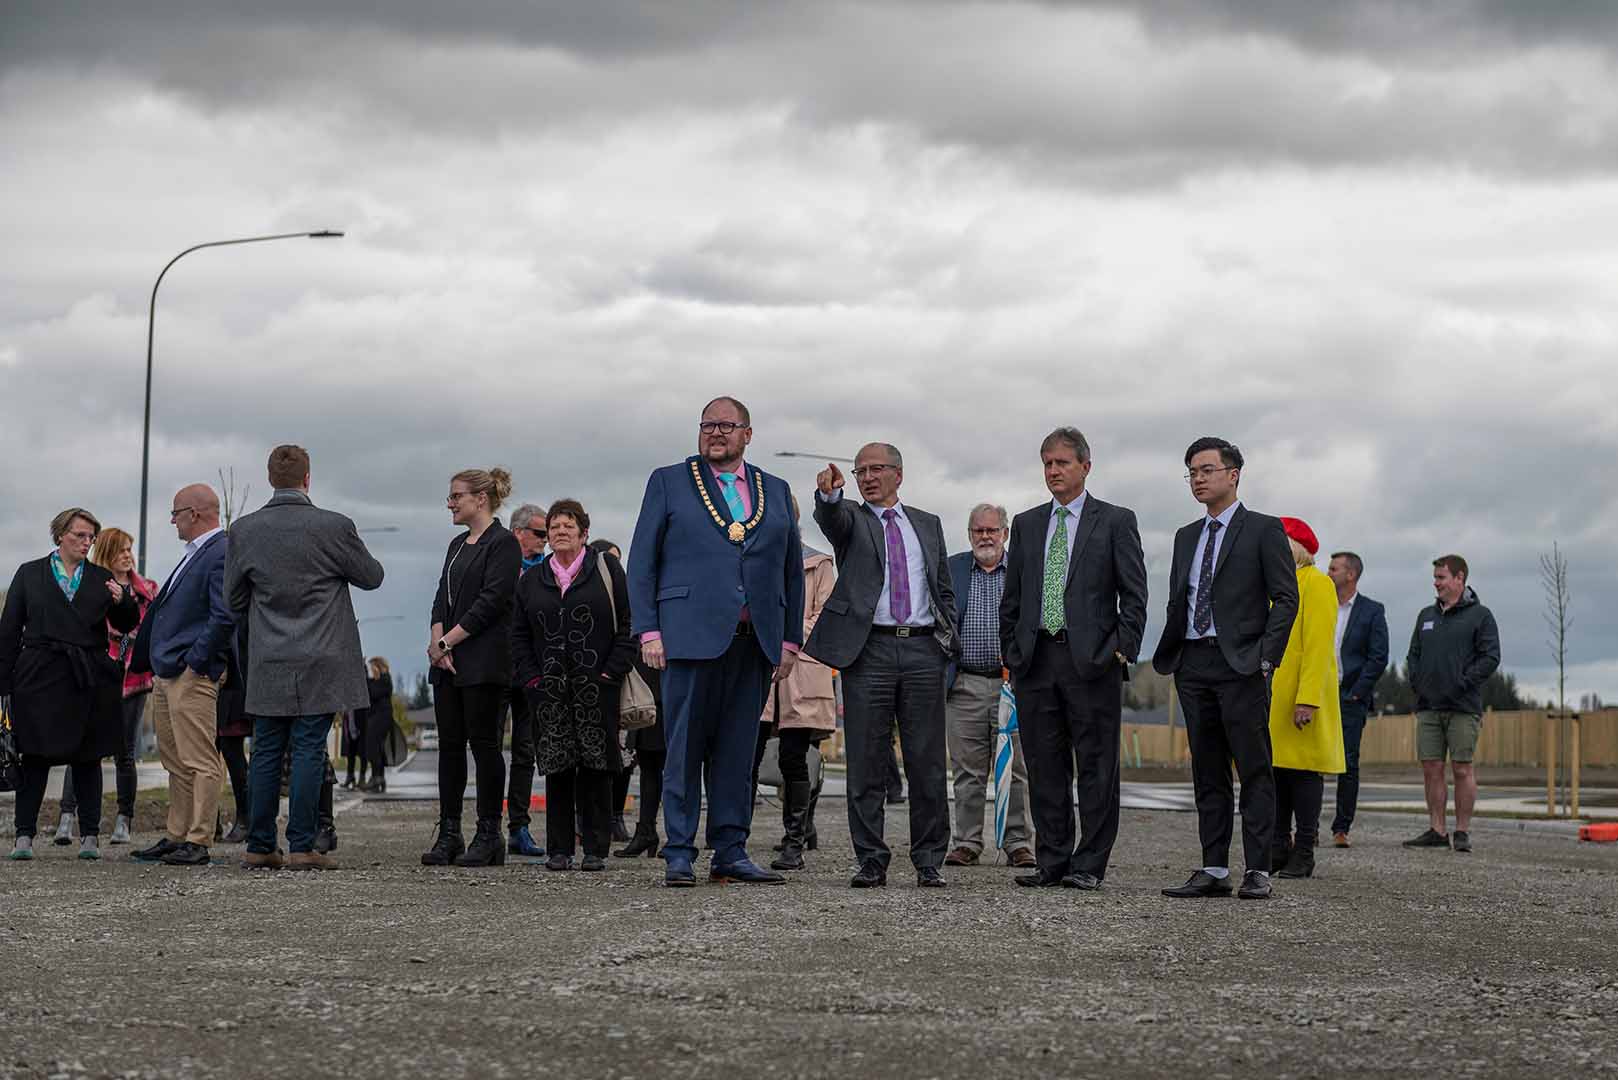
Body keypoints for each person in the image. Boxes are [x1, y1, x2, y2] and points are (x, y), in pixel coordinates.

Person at [627, 395, 805, 887]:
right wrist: (649, 630)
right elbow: (641, 561)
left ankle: (730, 849)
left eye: (727, 425)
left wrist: (790, 641)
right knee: (682, 750)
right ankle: (679, 852)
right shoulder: (668, 481)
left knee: (736, 753)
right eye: (708, 425)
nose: (716, 433)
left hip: (754, 643)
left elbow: (790, 571)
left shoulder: (775, 488)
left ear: (748, 434)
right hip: (687, 637)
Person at [1001, 430, 1149, 890]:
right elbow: (1013, 597)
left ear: (1086, 466)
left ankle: (1088, 865)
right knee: (1045, 767)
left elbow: (1135, 594)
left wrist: (1121, 649)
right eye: (1047, 463)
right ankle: (1053, 861)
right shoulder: (1026, 524)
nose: (1053, 471)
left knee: (1096, 767)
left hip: (1093, 663)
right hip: (1036, 661)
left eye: (1062, 462)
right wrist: (1013, 649)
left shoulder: (1115, 521)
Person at [226, 445, 385, 871]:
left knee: (264, 751)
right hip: (323, 657)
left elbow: (233, 598)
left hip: (269, 659)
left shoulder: (243, 530)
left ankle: (260, 844)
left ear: (270, 479)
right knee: (310, 749)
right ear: (308, 479)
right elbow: (372, 577)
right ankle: (301, 845)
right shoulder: (334, 527)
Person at [1153, 437, 1298, 901]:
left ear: (1233, 475)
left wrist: (1265, 657)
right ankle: (1214, 867)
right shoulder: (1185, 537)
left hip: (1242, 666)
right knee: (1208, 770)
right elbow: (1181, 598)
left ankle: (1259, 869)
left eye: (1207, 469)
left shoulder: (1263, 529)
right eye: (1192, 471)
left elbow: (1286, 599)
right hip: (1193, 663)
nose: (1198, 478)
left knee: (1254, 768)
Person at [807, 442, 956, 889]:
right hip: (868, 651)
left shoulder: (928, 524)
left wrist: (948, 641)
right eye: (860, 472)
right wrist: (830, 496)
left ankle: (929, 860)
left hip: (923, 651)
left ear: (899, 474)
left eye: (876, 469)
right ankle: (871, 859)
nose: (867, 477)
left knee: (927, 762)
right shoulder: (853, 519)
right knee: (867, 761)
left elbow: (942, 584)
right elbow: (833, 519)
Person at [0, 508, 139, 860]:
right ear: (61, 534)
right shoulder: (30, 574)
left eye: (91, 537)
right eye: (80, 535)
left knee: (87, 756)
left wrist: (123, 601)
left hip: (86, 677)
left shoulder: (100, 577)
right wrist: (4, 684)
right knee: (34, 756)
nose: (86, 542)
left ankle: (90, 835)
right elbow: (9, 629)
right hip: (38, 675)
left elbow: (126, 625)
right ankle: (24, 837)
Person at [512, 500, 636, 871]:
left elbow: (627, 625)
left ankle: (596, 849)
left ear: (584, 532)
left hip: (597, 686)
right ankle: (560, 849)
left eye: (568, 525)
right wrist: (532, 678)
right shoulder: (533, 578)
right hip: (548, 689)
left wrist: (610, 673)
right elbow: (518, 634)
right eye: (554, 527)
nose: (560, 531)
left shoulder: (606, 568)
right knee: (558, 767)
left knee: (598, 768)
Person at [127, 484, 236, 867]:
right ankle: (177, 834)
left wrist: (196, 663)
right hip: (168, 672)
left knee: (200, 759)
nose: (172, 520)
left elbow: (224, 614)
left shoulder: (220, 551)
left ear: (194, 513)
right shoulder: (194, 554)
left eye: (175, 513)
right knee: (175, 760)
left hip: (191, 674)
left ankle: (199, 837)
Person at [421, 466, 521, 868]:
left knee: (485, 746)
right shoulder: (456, 545)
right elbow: (440, 597)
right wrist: (436, 642)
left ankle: (489, 833)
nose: (450, 503)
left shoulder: (504, 544)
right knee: (449, 748)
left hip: (485, 662)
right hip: (448, 664)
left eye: (456, 496)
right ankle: (449, 833)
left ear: (481, 498)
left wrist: (449, 641)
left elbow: (491, 602)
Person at [941, 502, 1035, 869]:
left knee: (1016, 770)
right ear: (969, 534)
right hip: (963, 684)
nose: (985, 536)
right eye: (978, 530)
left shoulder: (1024, 570)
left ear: (1005, 534)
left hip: (1012, 686)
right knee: (967, 772)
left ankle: (1017, 842)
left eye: (992, 530)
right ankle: (966, 842)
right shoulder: (952, 569)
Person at [53, 526, 156, 847]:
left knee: (125, 751)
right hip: (94, 676)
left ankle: (124, 820)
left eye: (130, 549)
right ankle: (68, 818)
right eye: (122, 550)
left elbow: (151, 631)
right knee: (81, 749)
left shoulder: (147, 590)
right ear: (108, 553)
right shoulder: (90, 586)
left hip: (133, 679)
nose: (128, 555)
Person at [758, 496, 837, 872]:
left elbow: (825, 617)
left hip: (801, 670)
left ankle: (795, 839)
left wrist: (783, 636)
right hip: (758, 670)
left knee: (794, 758)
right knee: (746, 756)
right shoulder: (753, 559)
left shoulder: (820, 564)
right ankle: (732, 834)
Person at [1402, 555, 1500, 854]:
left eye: (1442, 577)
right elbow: (1413, 655)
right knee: (1431, 768)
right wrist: (1418, 683)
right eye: (1435, 577)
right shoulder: (1425, 616)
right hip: (1429, 707)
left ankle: (1461, 831)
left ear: (1460, 579)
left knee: (1461, 769)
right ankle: (1437, 829)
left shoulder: (1481, 616)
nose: (1436, 582)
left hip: (1463, 707)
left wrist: (1462, 681)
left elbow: (1490, 657)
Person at [1267, 518, 1345, 879]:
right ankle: (1279, 844)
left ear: (1296, 546)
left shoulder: (1318, 584)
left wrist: (1308, 698)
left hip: (1302, 693)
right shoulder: (1275, 586)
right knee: (1278, 771)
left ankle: (1306, 848)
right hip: (1274, 694)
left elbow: (1318, 646)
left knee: (1305, 774)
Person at [1326, 550, 1389, 847]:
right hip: (1320, 695)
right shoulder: (1320, 604)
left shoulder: (1372, 611)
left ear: (1350, 574)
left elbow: (1378, 658)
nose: (1328, 572)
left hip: (1350, 697)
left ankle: (1341, 828)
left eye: (1334, 568)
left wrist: (1357, 692)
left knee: (1348, 763)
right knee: (1310, 764)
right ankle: (1305, 829)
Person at [505, 502, 548, 856]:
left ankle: (518, 827)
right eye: (540, 534)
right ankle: (485, 826)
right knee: (487, 749)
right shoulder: (498, 565)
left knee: (525, 750)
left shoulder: (547, 571)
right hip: (494, 667)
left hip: (530, 671)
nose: (546, 541)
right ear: (518, 532)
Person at [589, 538, 635, 843]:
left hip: (616, 676)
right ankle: (588, 818)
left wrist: (613, 669)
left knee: (623, 754)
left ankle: (615, 814)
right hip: (587, 676)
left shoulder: (625, 594)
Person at [615, 652, 667, 859]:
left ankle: (677, 835)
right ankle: (646, 831)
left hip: (668, 679)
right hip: (643, 686)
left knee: (672, 767)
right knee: (649, 765)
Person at [362, 657, 393, 793]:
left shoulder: (385, 680)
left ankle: (377, 778)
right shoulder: (378, 681)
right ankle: (378, 778)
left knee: (374, 748)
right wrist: (362, 669)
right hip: (377, 717)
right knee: (376, 748)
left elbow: (373, 692)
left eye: (372, 667)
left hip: (381, 717)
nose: (371, 671)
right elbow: (366, 684)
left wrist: (369, 677)